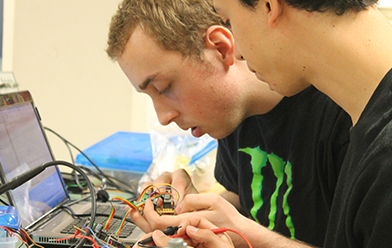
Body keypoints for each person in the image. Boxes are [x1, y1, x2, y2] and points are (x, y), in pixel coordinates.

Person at [106, 0, 351, 247]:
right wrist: (193, 212)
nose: (163, 117)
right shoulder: (228, 115)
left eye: (164, 87)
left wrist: (247, 234)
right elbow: (247, 201)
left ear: (221, 49)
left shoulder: (342, 116)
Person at [211, 0, 392, 247]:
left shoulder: (385, 155)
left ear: (268, 6)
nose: (239, 53)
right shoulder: (368, 125)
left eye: (228, 21)